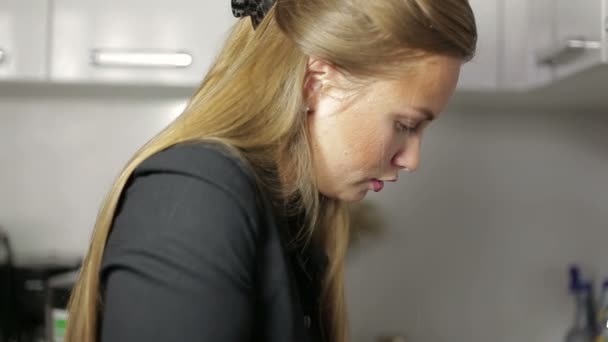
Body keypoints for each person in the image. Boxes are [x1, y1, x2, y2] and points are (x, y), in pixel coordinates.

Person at [65, 0, 477, 341]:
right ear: (316, 82)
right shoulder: (196, 196)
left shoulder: (294, 216)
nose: (412, 159)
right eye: (405, 125)